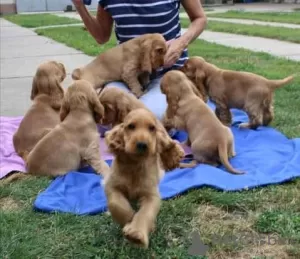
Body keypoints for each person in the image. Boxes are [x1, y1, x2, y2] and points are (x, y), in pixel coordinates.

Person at [72, 0, 207, 135]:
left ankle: (135, 126)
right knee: (100, 117)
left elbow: (200, 18)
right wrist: (79, 5)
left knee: (158, 119)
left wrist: (181, 43)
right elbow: (101, 36)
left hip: (167, 73)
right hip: (125, 76)